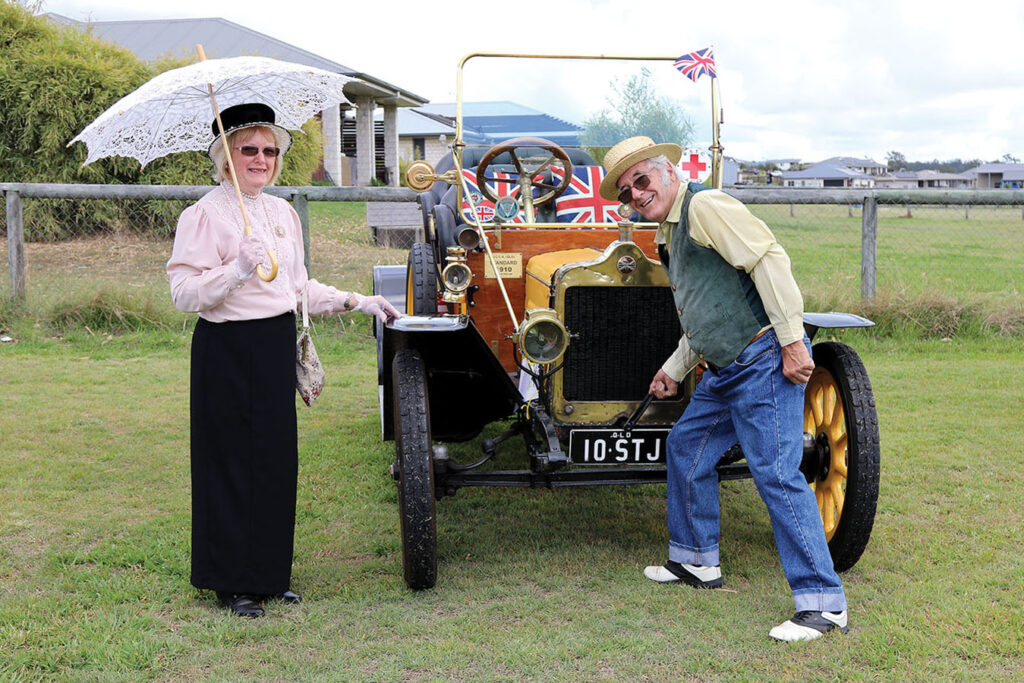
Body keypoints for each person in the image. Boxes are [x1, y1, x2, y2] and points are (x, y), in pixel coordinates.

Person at [599, 136, 848, 642]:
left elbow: (768, 260)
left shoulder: (705, 205)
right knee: (686, 446)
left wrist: (794, 341)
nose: (636, 196)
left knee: (777, 474)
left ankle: (824, 604)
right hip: (722, 371)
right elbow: (705, 309)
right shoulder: (670, 233)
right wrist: (673, 368)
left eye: (641, 181)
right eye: (625, 192)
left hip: (760, 360)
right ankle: (695, 562)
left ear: (666, 172)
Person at [166, 103, 400, 618]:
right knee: (230, 462)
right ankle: (232, 582)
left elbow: (298, 289)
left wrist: (358, 300)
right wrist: (235, 269)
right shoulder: (203, 215)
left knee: (273, 462)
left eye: (269, 150)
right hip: (226, 351)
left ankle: (269, 576)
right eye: (248, 149)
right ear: (225, 157)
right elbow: (183, 293)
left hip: (273, 346)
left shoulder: (282, 212)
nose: (260, 158)